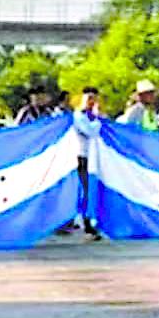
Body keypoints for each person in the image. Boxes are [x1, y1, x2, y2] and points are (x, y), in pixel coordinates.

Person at [72, 87, 104, 239]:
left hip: (92, 157)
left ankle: (88, 223)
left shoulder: (90, 116)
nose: (92, 102)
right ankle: (85, 224)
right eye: (89, 98)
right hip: (81, 156)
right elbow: (90, 132)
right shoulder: (79, 116)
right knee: (83, 190)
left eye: (94, 99)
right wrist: (97, 119)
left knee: (88, 189)